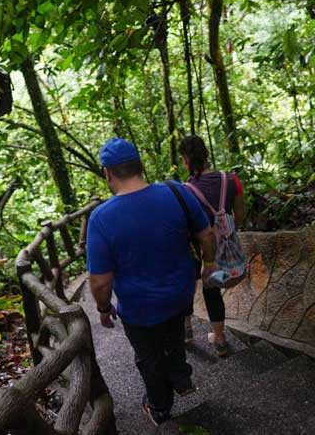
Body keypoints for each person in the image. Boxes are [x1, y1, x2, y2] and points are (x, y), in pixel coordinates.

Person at [87, 138, 218, 427]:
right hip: (181, 292)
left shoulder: (101, 218)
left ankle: (159, 406)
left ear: (108, 173)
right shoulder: (176, 192)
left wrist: (103, 307)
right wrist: (209, 264)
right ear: (141, 166)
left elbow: (100, 280)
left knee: (148, 355)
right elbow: (206, 234)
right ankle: (181, 379)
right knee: (173, 334)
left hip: (139, 307)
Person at [179, 135, 246, 357]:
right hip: (221, 248)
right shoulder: (231, 179)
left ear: (187, 159)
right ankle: (219, 338)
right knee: (212, 288)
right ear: (206, 154)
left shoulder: (186, 190)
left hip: (197, 250)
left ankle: (187, 328)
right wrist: (225, 232)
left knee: (189, 283)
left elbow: (186, 226)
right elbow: (240, 216)